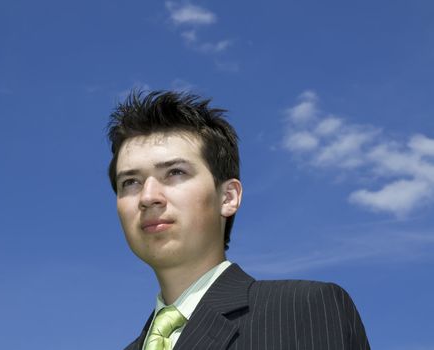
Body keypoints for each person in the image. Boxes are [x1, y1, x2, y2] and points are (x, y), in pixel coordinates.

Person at [107, 90, 370, 350]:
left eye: (175, 172)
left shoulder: (303, 310)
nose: (148, 196)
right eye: (130, 182)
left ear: (228, 197)